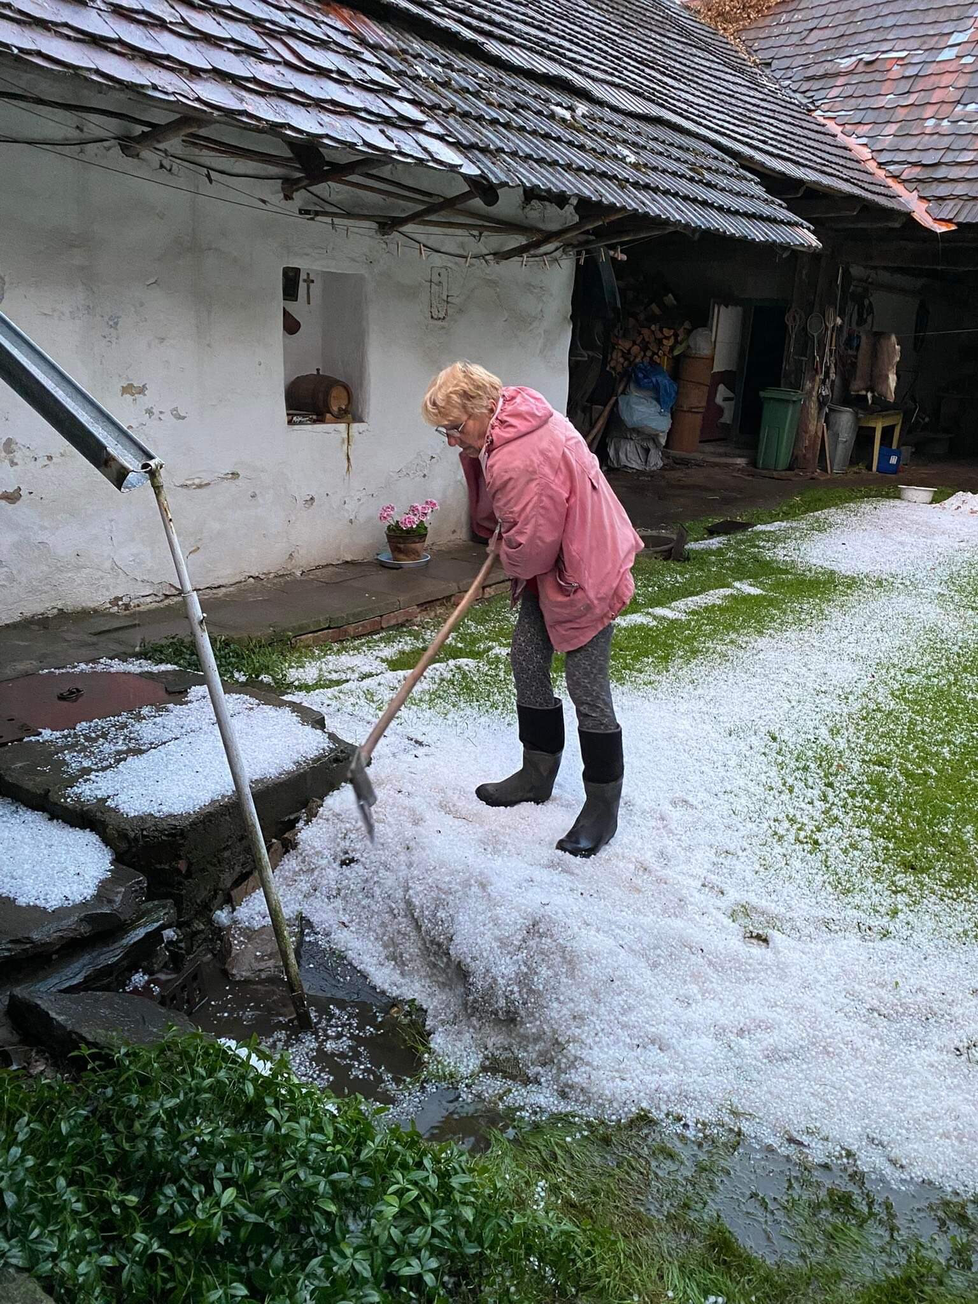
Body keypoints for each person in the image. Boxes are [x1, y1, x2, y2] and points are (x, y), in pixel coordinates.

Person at [421, 361, 644, 857]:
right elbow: (537, 515)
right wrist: (511, 525)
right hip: (564, 562)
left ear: (482, 409)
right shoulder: (518, 411)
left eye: (455, 428)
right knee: (526, 657)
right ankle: (536, 772)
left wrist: (511, 546)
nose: (454, 440)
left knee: (587, 685)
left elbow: (535, 548)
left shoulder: (516, 455)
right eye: (445, 431)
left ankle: (602, 807)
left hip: (586, 571)